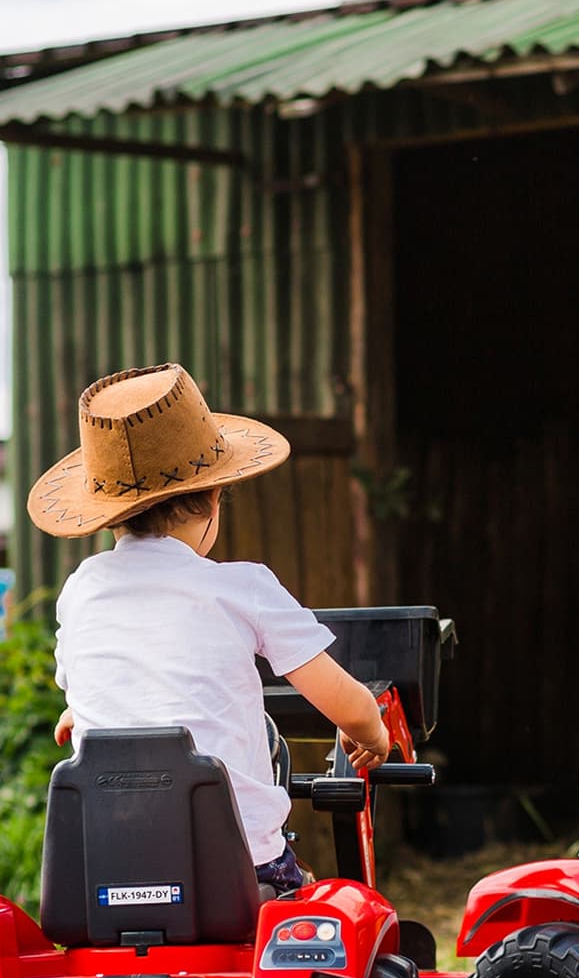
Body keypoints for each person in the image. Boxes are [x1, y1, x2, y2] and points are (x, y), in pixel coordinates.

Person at [29, 363, 389, 893]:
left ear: (108, 517)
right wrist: (372, 735)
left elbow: (98, 676)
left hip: (103, 871)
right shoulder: (242, 588)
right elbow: (350, 706)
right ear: (214, 498)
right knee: (315, 897)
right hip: (239, 870)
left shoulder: (81, 589)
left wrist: (80, 710)